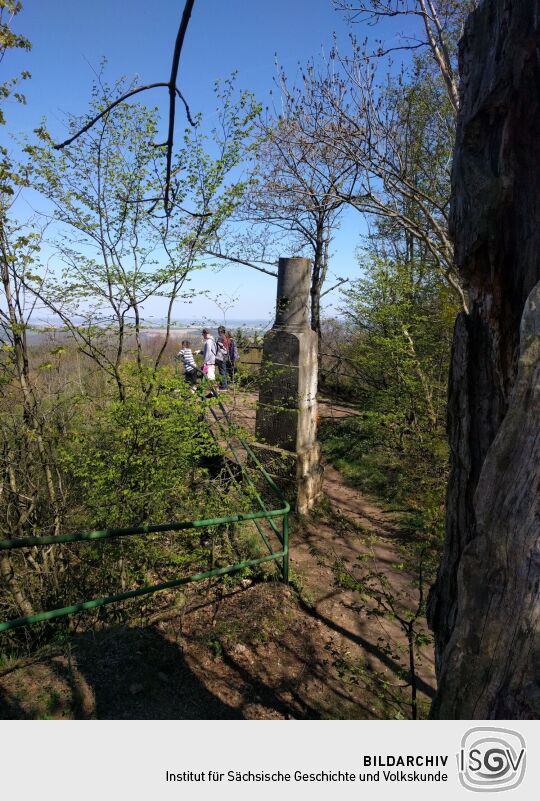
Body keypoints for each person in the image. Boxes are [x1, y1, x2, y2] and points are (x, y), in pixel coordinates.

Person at [215, 325, 230, 390]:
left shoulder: (220, 338)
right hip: (226, 355)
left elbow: (217, 348)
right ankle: (226, 384)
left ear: (220, 331)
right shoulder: (226, 337)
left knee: (222, 372)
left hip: (221, 356)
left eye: (218, 331)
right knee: (225, 370)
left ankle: (224, 386)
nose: (218, 332)